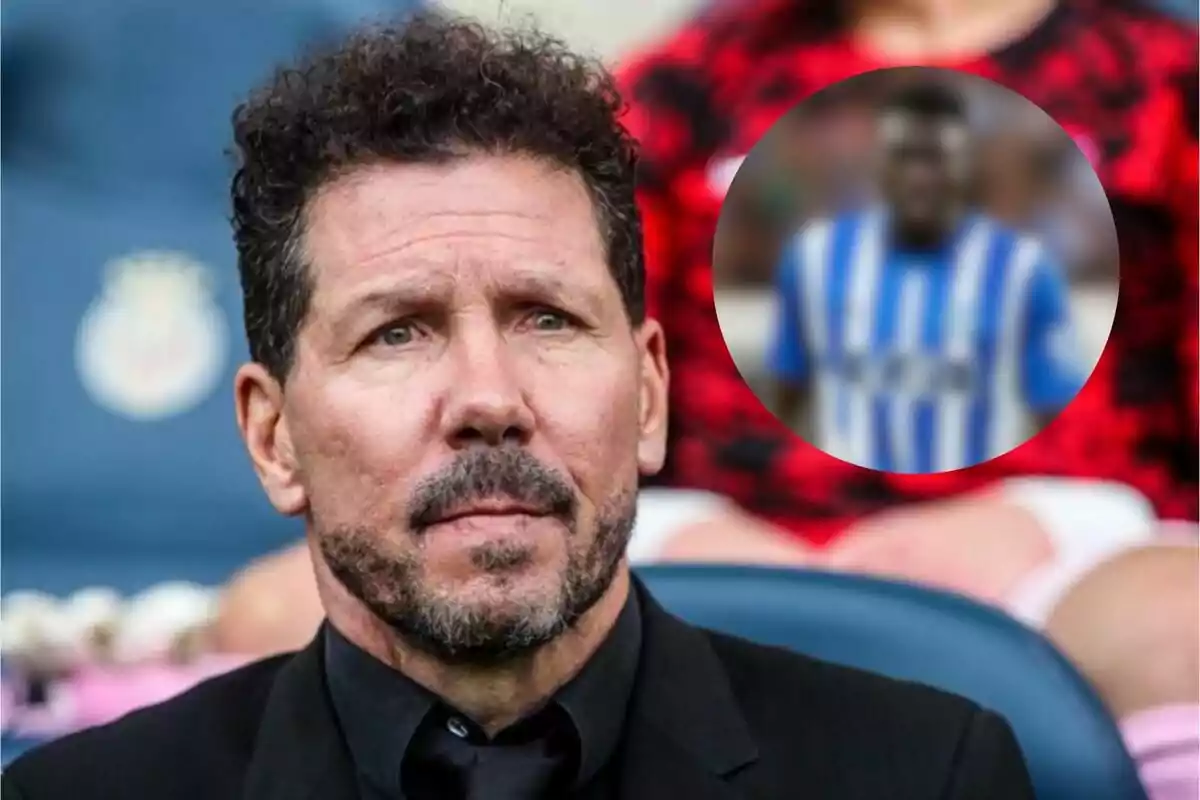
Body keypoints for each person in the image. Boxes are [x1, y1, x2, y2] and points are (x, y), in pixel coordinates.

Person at [0, 14, 1035, 800]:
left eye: (546, 318)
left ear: (650, 395)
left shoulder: (927, 772)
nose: (490, 398)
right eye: (396, 331)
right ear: (274, 439)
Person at [766, 80, 1085, 473]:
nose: (919, 175)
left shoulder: (1024, 269)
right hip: (849, 505)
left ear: (967, 165)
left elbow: (1057, 417)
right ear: (878, 165)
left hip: (975, 507)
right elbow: (785, 396)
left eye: (936, 158)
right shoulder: (813, 259)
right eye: (904, 156)